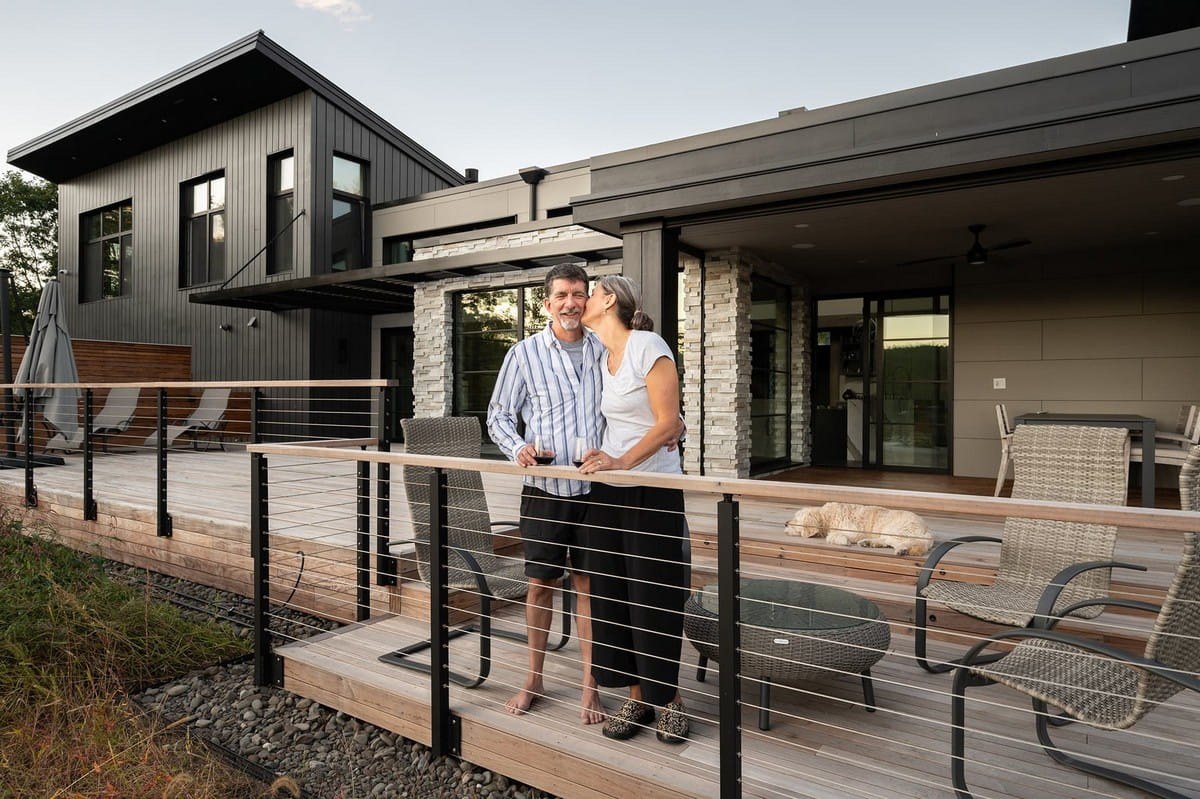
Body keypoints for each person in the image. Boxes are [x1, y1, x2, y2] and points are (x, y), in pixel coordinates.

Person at [486, 262, 606, 724]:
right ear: (547, 303)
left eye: (578, 294)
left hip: (597, 490)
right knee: (540, 586)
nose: (571, 303)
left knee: (588, 588)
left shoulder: (605, 350)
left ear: (587, 299)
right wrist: (519, 447)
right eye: (562, 295)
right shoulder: (524, 353)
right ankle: (533, 678)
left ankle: (590, 686)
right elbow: (499, 415)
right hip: (544, 488)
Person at [576, 275, 691, 744]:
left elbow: (670, 423)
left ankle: (670, 700)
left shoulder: (648, 345)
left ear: (609, 300)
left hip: (653, 488)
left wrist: (623, 460)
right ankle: (638, 694)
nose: (582, 298)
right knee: (612, 592)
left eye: (591, 290)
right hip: (610, 489)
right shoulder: (601, 356)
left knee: (654, 593)